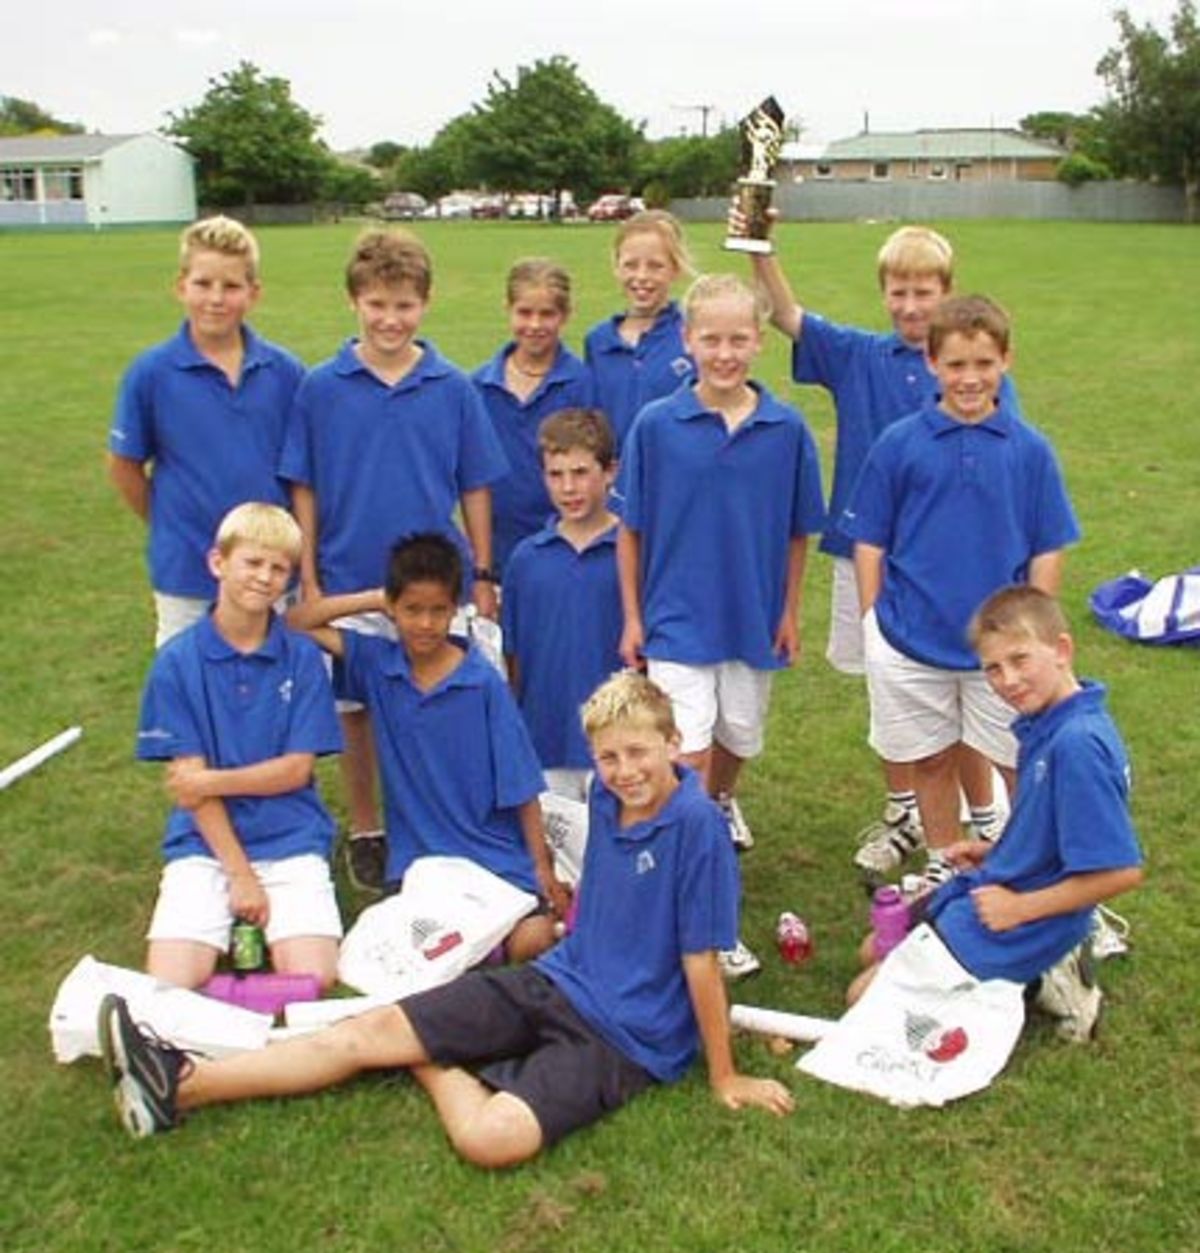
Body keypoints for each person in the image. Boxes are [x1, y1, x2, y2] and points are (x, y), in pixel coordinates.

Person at [98, 671, 795, 1162]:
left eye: (640, 751)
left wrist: (723, 1073)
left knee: (490, 1139)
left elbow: (700, 960)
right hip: (553, 979)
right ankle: (180, 1082)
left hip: (622, 1039)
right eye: (608, 756)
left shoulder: (699, 826)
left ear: (674, 743)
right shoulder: (606, 798)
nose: (623, 770)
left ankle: (432, 1060)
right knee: (363, 1028)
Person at [743, 216, 1014, 880]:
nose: (911, 305)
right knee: (893, 691)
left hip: (952, 563)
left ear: (946, 292)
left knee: (960, 685)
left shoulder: (969, 370)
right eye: (899, 291)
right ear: (884, 292)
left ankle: (987, 819)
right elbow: (786, 315)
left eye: (924, 291)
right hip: (867, 553)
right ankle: (906, 814)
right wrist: (759, 247)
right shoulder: (861, 354)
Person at [279, 229, 508, 890]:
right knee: (356, 712)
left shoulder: (452, 386)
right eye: (377, 303)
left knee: (436, 705)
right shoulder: (321, 386)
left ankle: (441, 823)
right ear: (354, 300)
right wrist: (311, 574)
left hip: (437, 585)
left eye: (404, 305)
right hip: (350, 577)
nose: (390, 318)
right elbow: (305, 483)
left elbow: (475, 484)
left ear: (425, 304)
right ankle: (367, 827)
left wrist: (484, 571)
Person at [616, 274, 826, 975]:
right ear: (688, 340)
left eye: (739, 339)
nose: (725, 352)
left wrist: (791, 610)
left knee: (737, 740)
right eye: (711, 338)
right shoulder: (656, 425)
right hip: (677, 622)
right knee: (690, 759)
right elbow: (631, 530)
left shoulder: (786, 429)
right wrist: (634, 617)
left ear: (759, 341)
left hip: (752, 622)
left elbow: (799, 532)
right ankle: (702, 914)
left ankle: (716, 808)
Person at [842, 295, 1080, 894]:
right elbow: (869, 539)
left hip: (995, 654)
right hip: (909, 641)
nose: (969, 378)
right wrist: (874, 621)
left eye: (983, 363)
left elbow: (1048, 544)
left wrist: (1035, 632)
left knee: (1016, 762)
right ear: (931, 363)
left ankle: (1026, 865)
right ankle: (945, 862)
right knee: (930, 759)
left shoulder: (1029, 450)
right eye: (955, 365)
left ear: (1006, 360)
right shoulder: (900, 443)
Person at [849, 586, 1144, 1043]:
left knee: (862, 999)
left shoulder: (1077, 746)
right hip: (997, 887)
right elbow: (1053, 829)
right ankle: (1029, 974)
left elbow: (1120, 872)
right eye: (992, 668)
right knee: (872, 950)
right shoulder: (1044, 724)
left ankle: (1051, 976)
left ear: (1062, 650)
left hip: (1027, 915)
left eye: (1020, 660)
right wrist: (997, 852)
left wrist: (1019, 907)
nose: (1007, 680)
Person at [288, 531, 567, 962]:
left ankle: (499, 940)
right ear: (393, 608)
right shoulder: (378, 665)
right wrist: (372, 599)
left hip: (491, 855)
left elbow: (522, 784)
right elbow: (296, 621)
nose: (425, 623)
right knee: (416, 945)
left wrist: (541, 865)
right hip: (420, 863)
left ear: (455, 610)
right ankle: (479, 947)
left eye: (438, 611)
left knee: (532, 939)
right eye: (412, 610)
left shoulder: (482, 683)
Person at [134, 503, 343, 991]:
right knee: (169, 981)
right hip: (205, 843)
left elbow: (295, 771)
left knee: (315, 978)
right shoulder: (176, 662)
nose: (264, 578)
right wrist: (240, 875)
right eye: (252, 562)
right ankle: (230, 952)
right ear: (218, 563)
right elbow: (192, 792)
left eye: (278, 569)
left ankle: (238, 968)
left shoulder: (304, 659)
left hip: (291, 836)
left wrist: (211, 780)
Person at [107, 216, 304, 648]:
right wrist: (171, 522)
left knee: (272, 696)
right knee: (187, 698)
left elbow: (304, 472)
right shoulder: (151, 373)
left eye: (231, 287)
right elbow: (124, 465)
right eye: (203, 284)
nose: (216, 299)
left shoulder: (286, 372)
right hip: (188, 574)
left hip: (272, 573)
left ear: (254, 293)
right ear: (181, 286)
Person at [502, 408, 623, 801]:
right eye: (556, 475)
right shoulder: (526, 559)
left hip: (618, 741)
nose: (568, 488)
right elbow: (514, 658)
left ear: (610, 471)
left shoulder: (632, 551)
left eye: (581, 472)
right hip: (545, 739)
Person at [472, 259, 594, 574]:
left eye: (547, 314)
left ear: (565, 316)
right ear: (508, 309)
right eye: (525, 313)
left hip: (564, 552)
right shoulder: (478, 387)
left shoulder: (582, 385)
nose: (535, 325)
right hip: (496, 553)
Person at [583, 210, 694, 450]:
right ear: (616, 267)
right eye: (631, 265)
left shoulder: (693, 334)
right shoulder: (598, 341)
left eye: (655, 266)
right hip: (617, 481)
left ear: (675, 269)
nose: (641, 276)